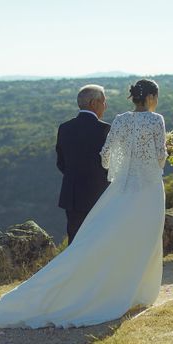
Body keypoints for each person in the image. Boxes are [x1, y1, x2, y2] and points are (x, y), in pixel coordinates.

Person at [0, 79, 167, 329]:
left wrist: (122, 173)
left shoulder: (119, 121)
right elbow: (160, 157)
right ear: (151, 97)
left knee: (86, 244)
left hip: (117, 191)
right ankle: (137, 290)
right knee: (143, 238)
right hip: (147, 190)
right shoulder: (156, 120)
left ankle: (83, 285)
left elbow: (105, 157)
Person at [56, 84, 110, 244]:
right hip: (99, 194)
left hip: (72, 196)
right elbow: (111, 164)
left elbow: (61, 163)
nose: (105, 106)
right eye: (104, 102)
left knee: (75, 241)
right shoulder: (105, 129)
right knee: (99, 240)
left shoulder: (64, 128)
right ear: (94, 103)